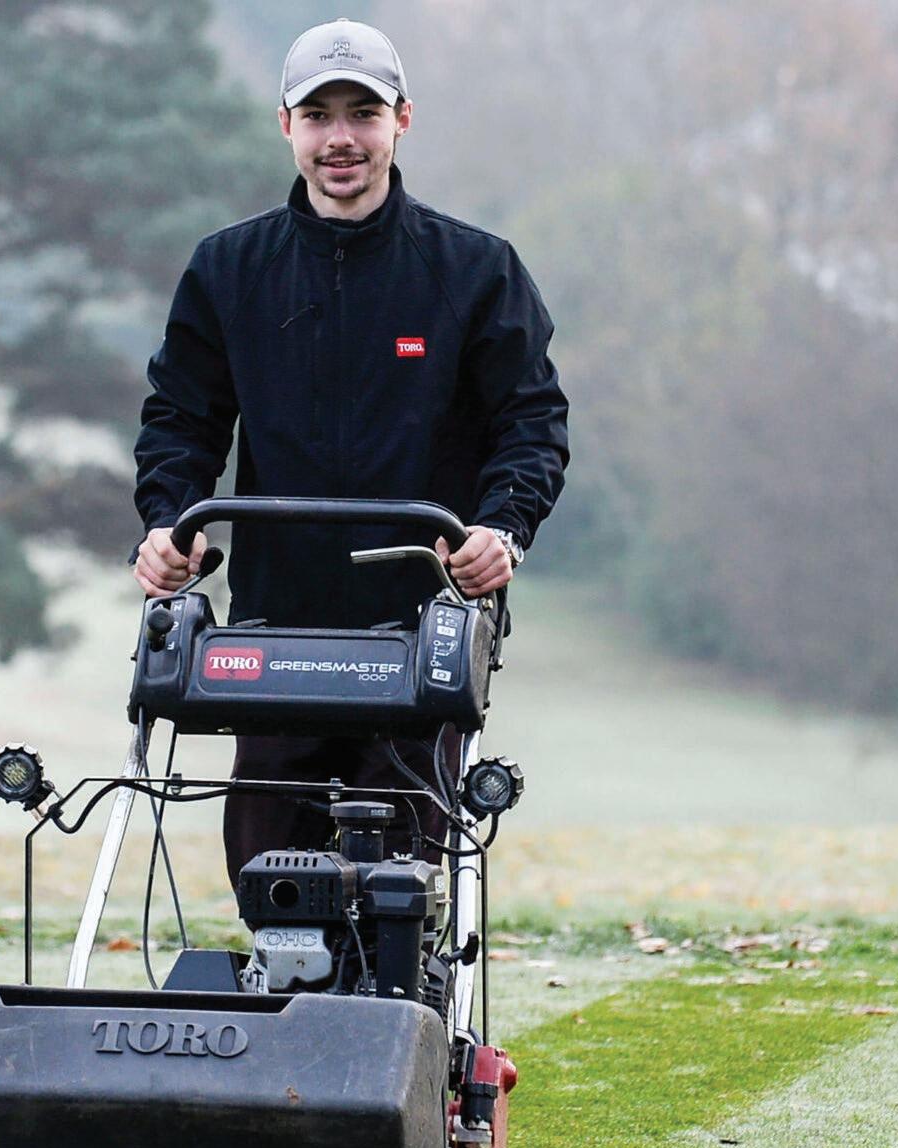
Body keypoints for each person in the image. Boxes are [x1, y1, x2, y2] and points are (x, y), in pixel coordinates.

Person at [131, 18, 569, 884]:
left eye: (362, 113)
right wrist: (168, 524)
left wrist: (501, 530)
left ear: (401, 119)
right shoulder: (229, 269)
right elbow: (180, 417)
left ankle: (408, 973)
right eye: (318, 115)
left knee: (404, 881)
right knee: (266, 870)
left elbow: (531, 420)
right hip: (275, 625)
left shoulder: (475, 272)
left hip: (422, 623)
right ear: (285, 126)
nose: (341, 139)